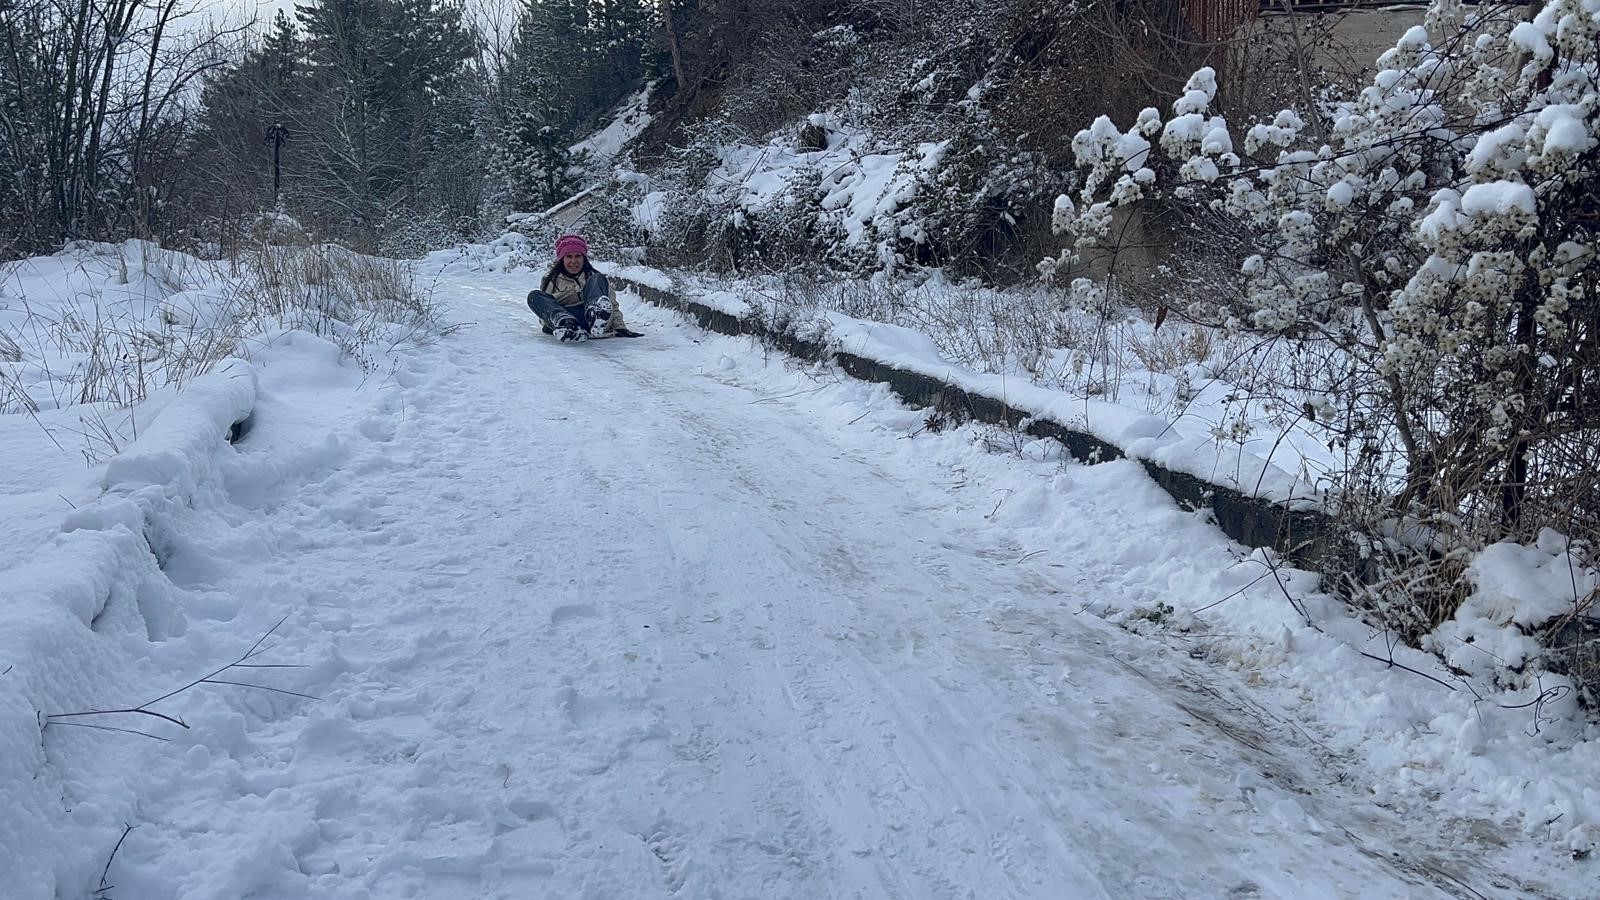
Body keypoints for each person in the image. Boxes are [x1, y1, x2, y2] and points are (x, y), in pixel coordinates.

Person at [525, 234, 639, 341]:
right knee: (534, 296)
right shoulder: (550, 280)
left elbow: (612, 305)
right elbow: (545, 309)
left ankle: (595, 314)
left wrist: (620, 327)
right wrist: (573, 293)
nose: (574, 261)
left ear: (584, 258)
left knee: (598, 278)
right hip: (566, 317)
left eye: (578, 256)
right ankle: (567, 325)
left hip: (588, 319)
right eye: (569, 256)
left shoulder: (595, 279)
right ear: (562, 259)